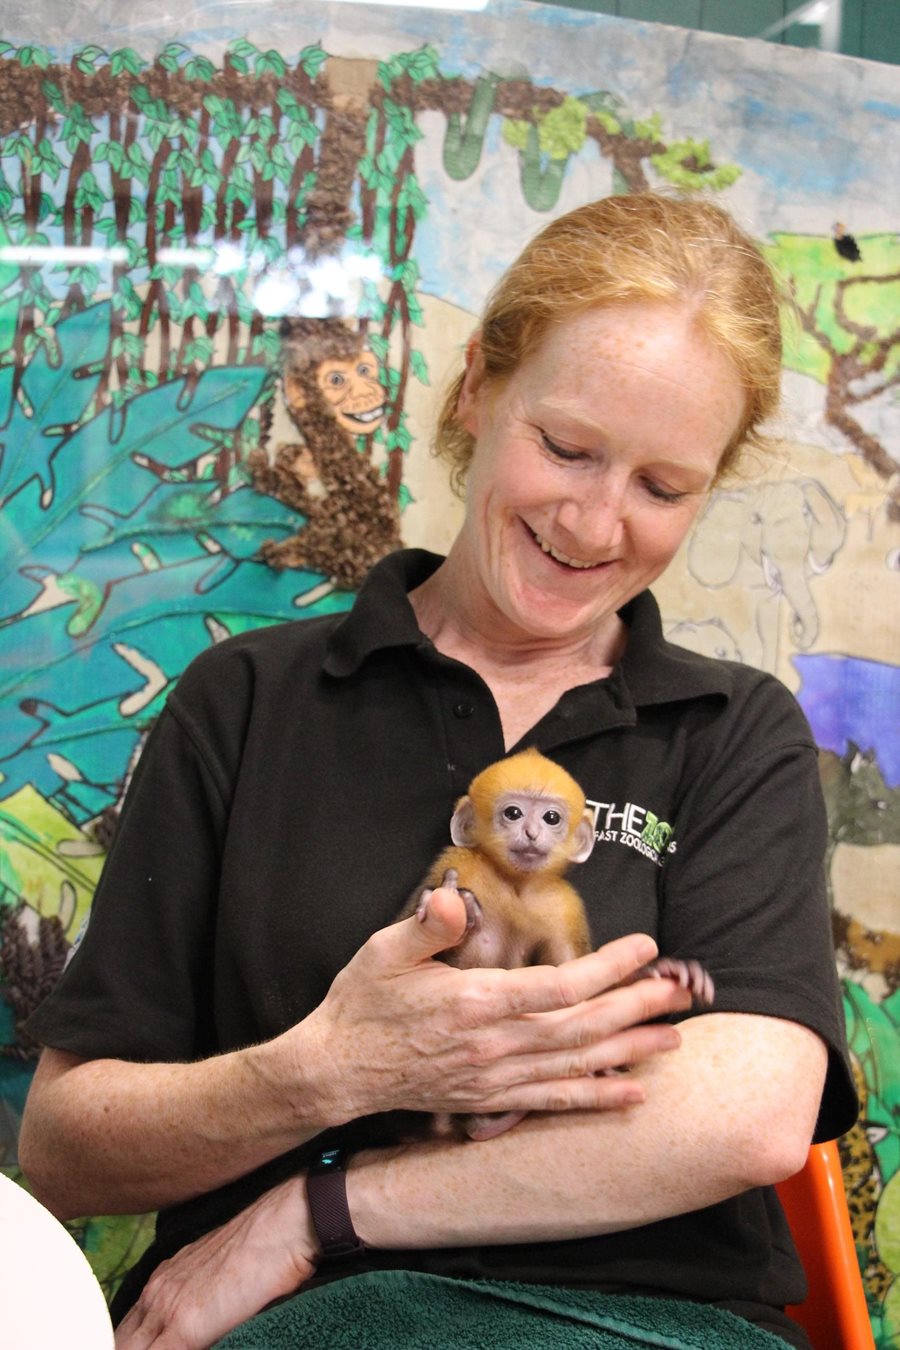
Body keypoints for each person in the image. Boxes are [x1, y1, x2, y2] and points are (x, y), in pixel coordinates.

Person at [19, 193, 856, 1350]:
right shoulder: (251, 700)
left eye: (665, 488)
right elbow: (64, 1149)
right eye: (565, 447)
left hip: (640, 1322)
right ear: (477, 389)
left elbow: (749, 1117)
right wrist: (328, 1071)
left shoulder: (731, 731)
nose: (596, 520)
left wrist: (318, 1212)